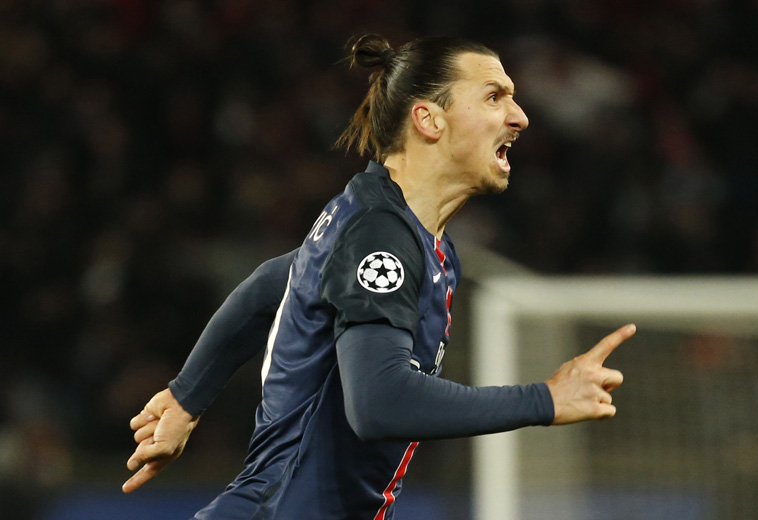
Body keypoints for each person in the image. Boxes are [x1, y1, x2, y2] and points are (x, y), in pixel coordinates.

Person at [123, 34, 636, 519]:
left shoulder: (392, 227)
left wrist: (186, 397)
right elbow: (380, 402)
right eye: (494, 97)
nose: (519, 117)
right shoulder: (380, 235)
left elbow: (267, 287)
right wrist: (545, 399)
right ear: (429, 120)